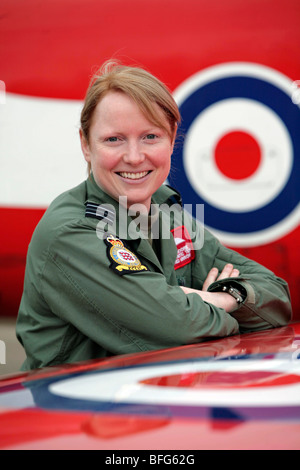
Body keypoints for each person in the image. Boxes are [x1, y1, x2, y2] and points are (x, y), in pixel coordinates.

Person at [16, 61, 292, 370]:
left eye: (150, 137)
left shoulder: (166, 211)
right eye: (113, 139)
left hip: (160, 409)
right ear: (85, 145)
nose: (134, 157)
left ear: (172, 138)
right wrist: (224, 306)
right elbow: (180, 332)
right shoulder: (70, 234)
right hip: (76, 414)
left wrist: (225, 297)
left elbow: (276, 297)